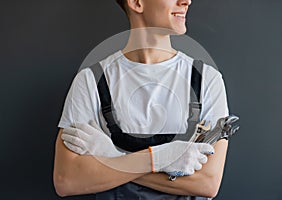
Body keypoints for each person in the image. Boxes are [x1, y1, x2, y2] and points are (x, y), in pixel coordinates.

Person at [53, 0, 230, 199]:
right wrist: (160, 159)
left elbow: (207, 184)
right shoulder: (90, 81)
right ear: (137, 3)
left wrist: (112, 156)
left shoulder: (206, 79)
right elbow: (66, 180)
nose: (186, 1)